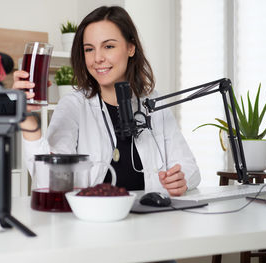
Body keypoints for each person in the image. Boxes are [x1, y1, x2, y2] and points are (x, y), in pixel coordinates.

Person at [12, 6, 200, 196]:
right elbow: (51, 183)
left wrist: (180, 179)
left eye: (108, 46)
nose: (97, 58)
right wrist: (27, 119)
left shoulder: (153, 103)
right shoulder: (73, 106)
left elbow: (190, 169)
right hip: (94, 223)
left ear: (130, 48)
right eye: (89, 49)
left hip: (150, 220)